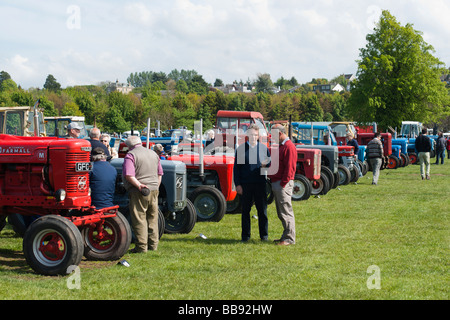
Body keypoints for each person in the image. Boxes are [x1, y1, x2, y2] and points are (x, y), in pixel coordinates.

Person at [122, 135, 163, 253]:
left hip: (139, 190)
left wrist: (139, 185)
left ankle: (141, 247)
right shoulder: (154, 154)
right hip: (154, 189)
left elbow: (129, 175)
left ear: (129, 146)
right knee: (153, 218)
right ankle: (153, 245)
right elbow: (160, 173)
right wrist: (156, 186)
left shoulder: (131, 155)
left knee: (139, 218)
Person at [233, 124, 271, 242]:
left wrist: (266, 164)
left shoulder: (264, 148)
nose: (253, 137)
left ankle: (264, 236)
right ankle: (245, 236)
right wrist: (238, 185)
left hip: (260, 184)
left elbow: (269, 164)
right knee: (245, 211)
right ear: (247, 135)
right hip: (245, 185)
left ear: (258, 136)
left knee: (262, 211)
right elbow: (236, 169)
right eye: (251, 135)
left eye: (255, 135)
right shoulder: (241, 149)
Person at [269, 124, 297, 246]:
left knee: (285, 211)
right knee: (282, 212)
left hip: (282, 184)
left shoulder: (288, 147)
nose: (272, 138)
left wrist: (282, 184)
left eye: (273, 135)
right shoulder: (283, 146)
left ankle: (289, 239)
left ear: (280, 134)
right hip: (279, 183)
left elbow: (290, 168)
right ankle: (285, 236)